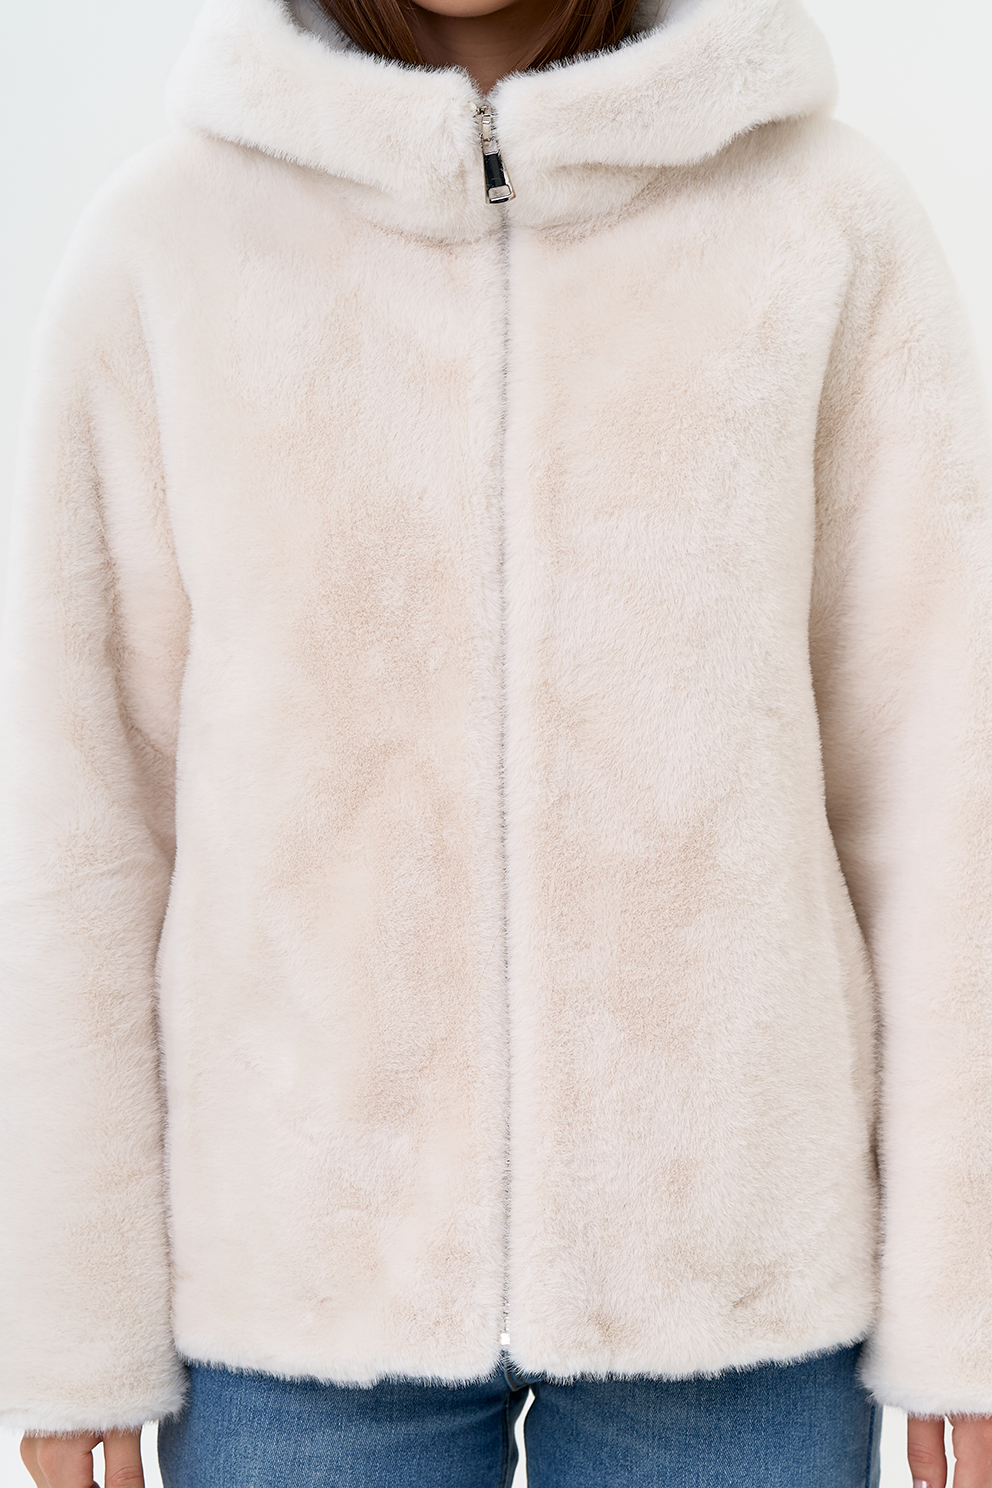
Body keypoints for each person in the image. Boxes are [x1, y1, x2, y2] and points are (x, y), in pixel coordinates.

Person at [2, 0, 991, 1481]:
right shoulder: (169, 248)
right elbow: (79, 823)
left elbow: (944, 787)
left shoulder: (822, 226)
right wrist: (72, 1323)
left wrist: (967, 1298)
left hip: (740, 1288)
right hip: (295, 1301)